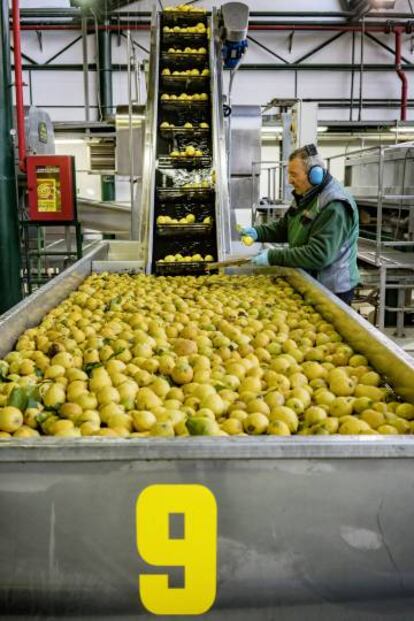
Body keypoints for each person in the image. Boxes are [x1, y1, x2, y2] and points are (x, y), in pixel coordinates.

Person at [240, 144, 360, 305]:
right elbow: (284, 227)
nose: (289, 180)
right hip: (311, 280)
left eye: (294, 175)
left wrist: (272, 256)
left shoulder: (335, 205)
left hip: (332, 289)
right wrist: (257, 232)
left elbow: (318, 254)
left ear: (314, 174)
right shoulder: (306, 196)